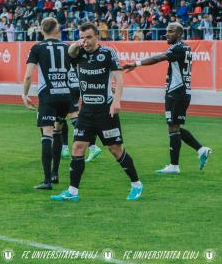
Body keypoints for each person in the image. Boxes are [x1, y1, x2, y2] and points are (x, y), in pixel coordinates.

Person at [50, 22, 143, 201]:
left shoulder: (107, 53)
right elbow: (70, 54)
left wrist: (116, 101)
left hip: (105, 110)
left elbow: (119, 78)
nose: (86, 41)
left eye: (89, 37)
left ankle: (136, 184)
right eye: (83, 37)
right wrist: (76, 44)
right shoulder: (79, 53)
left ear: (97, 37)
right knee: (77, 147)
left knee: (115, 149)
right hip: (86, 111)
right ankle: (72, 192)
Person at [123, 22, 213, 174]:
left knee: (173, 127)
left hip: (176, 92)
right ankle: (201, 149)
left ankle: (174, 166)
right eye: (167, 31)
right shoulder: (185, 47)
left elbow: (159, 58)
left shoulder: (177, 47)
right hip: (183, 91)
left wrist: (136, 63)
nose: (167, 34)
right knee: (175, 127)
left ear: (178, 34)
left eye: (171, 31)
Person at [22, 17, 73, 190]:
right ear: (57, 30)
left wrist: (24, 94)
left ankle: (47, 181)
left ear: (41, 30)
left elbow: (29, 75)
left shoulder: (37, 48)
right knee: (59, 130)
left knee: (47, 133)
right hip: (65, 94)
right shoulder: (66, 47)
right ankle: (55, 173)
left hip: (48, 95)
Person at [61, 49, 104, 161]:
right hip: (75, 88)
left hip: (67, 89)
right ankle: (64, 148)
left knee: (72, 117)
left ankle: (92, 147)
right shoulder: (78, 59)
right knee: (61, 119)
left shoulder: (66, 59)